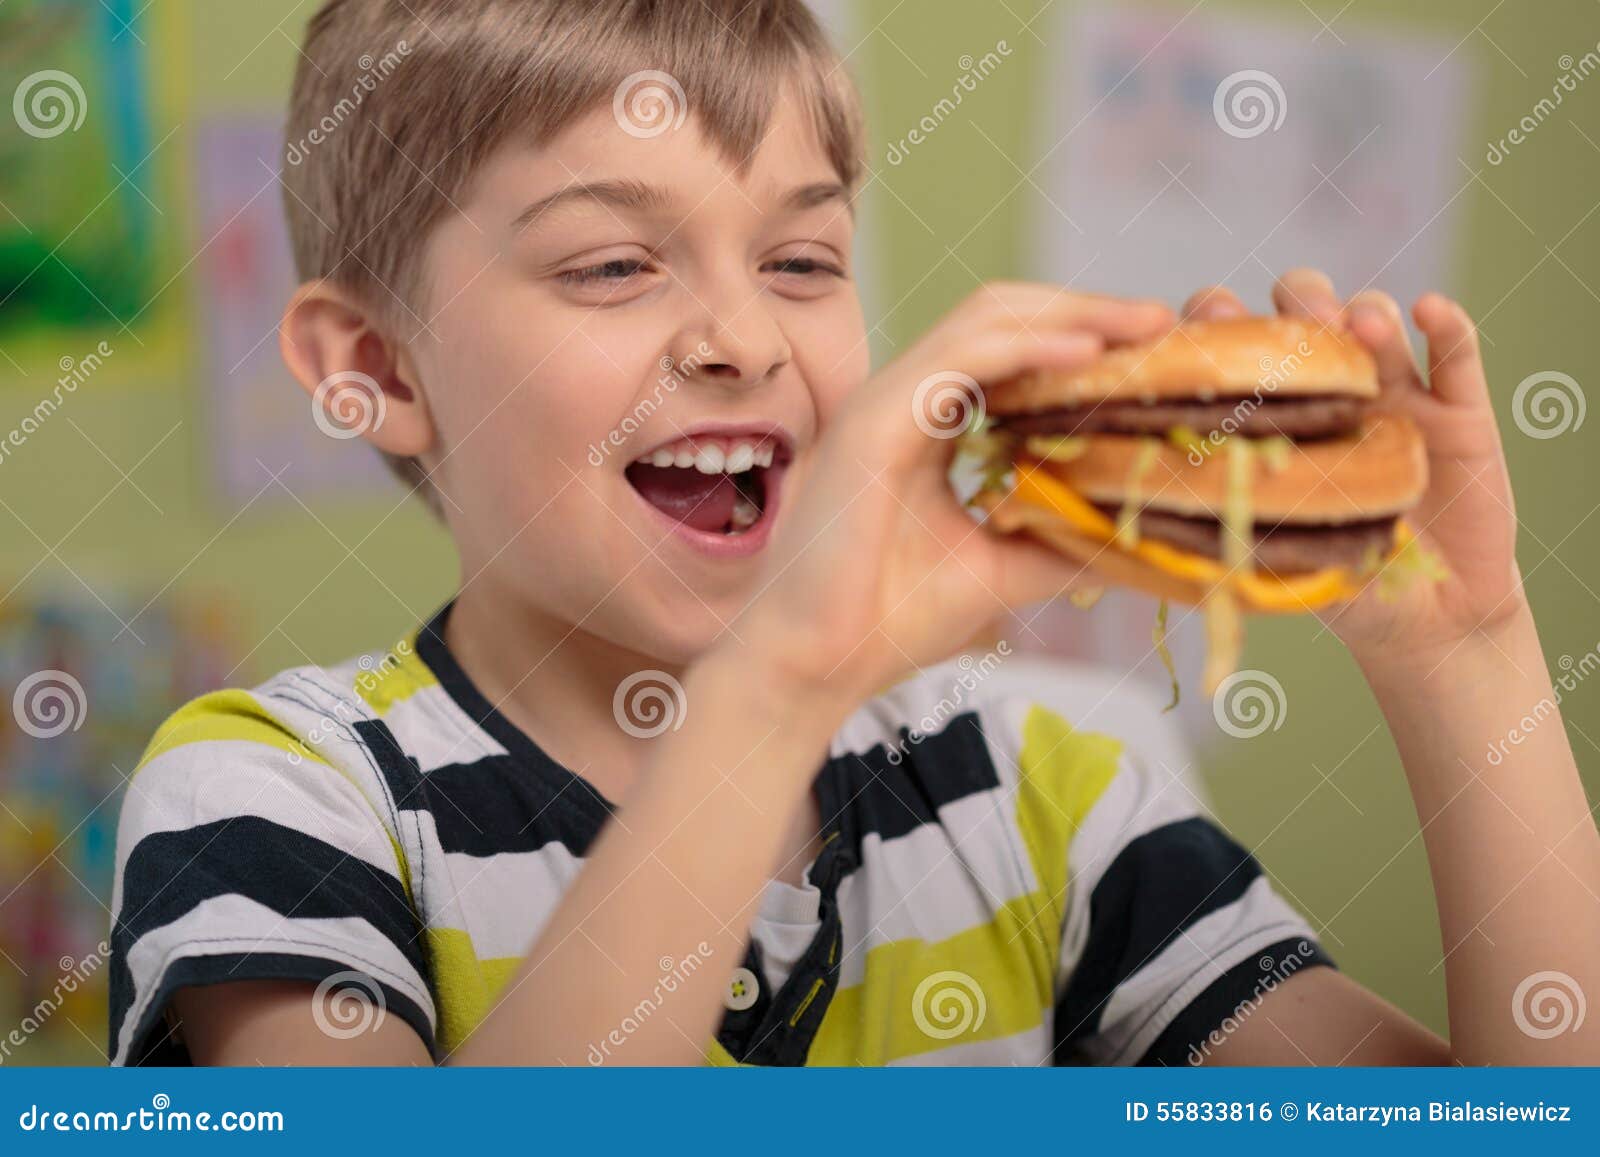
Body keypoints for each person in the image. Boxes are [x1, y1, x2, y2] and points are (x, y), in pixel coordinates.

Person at [108, 0, 1597, 1066]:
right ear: (375, 367)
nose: (747, 336)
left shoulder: (1048, 796)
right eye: (613, 263)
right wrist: (776, 682)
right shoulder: (276, 800)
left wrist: (1463, 652)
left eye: (804, 258)